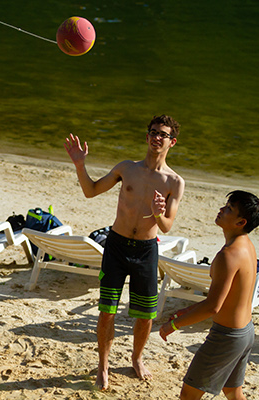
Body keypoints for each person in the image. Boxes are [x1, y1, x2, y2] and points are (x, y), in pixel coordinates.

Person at [65, 114, 186, 389]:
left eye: (163, 134)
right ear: (146, 137)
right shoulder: (126, 168)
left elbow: (166, 226)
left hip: (146, 250)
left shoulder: (174, 182)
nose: (157, 137)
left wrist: (158, 214)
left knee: (145, 315)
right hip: (117, 246)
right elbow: (91, 191)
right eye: (153, 132)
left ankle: (136, 358)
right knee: (107, 311)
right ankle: (103, 366)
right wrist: (80, 165)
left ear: (172, 142)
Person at [159, 191, 259, 400]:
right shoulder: (247, 246)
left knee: (188, 395)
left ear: (241, 222)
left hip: (226, 337)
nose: (222, 210)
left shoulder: (227, 255)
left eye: (229, 209)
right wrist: (187, 310)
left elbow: (213, 306)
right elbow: (226, 298)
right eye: (225, 205)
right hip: (245, 332)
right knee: (233, 393)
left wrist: (174, 325)